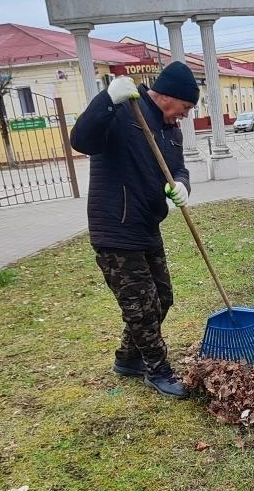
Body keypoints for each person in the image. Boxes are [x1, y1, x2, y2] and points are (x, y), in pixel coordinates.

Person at [70, 62, 199, 399]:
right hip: (115, 228)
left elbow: (179, 168)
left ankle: (128, 358)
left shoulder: (171, 132)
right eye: (185, 107)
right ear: (167, 96)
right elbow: (81, 140)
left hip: (146, 225)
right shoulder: (124, 112)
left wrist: (181, 185)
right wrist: (106, 100)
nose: (185, 115)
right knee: (141, 307)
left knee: (162, 298)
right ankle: (158, 370)